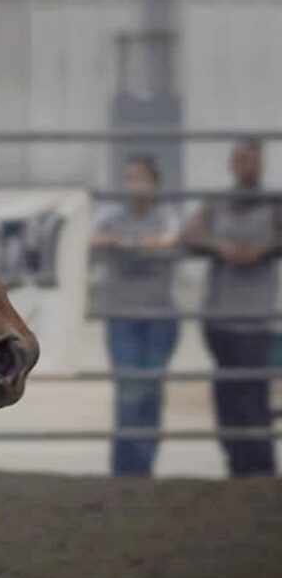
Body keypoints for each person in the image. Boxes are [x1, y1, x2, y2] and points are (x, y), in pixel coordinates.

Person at [184, 138, 280, 476]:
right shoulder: (217, 203)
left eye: (250, 160)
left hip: (255, 317)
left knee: (252, 395)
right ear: (232, 164)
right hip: (219, 315)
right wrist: (218, 245)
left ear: (260, 163)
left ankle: (261, 467)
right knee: (227, 395)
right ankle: (236, 465)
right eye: (239, 159)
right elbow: (190, 235)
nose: (245, 165)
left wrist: (261, 249)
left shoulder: (273, 203)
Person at [90, 155, 184, 476]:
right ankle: (125, 468)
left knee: (151, 391)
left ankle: (142, 467)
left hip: (159, 316)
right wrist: (141, 245)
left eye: (141, 178)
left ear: (155, 183)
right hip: (123, 315)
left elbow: (171, 240)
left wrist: (124, 245)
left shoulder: (167, 216)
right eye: (130, 178)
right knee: (129, 390)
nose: (135, 185)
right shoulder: (113, 215)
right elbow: (91, 240)